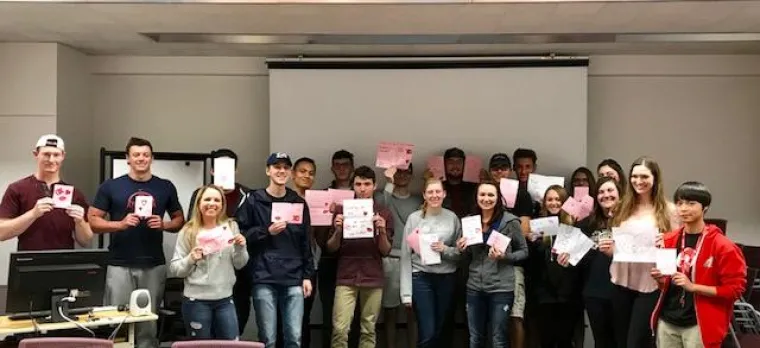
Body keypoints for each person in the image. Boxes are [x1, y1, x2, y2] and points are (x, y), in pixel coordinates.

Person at [89, 137, 185, 348]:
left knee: (148, 323)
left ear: (152, 158)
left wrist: (164, 225)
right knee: (117, 320)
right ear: (127, 159)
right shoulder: (111, 186)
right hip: (119, 263)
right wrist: (120, 225)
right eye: (136, 155)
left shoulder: (165, 186)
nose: (141, 158)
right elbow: (93, 221)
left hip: (154, 264)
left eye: (146, 155)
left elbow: (180, 220)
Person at [650, 182, 746, 348]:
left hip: (699, 325)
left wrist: (693, 287)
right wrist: (659, 279)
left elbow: (735, 290)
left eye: (691, 203)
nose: (684, 208)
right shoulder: (668, 240)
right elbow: (666, 285)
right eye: (680, 203)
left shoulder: (724, 246)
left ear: (705, 208)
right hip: (668, 321)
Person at [236, 152, 314, 348]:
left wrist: (307, 276)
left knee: (294, 338)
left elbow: (306, 242)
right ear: (268, 171)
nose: (281, 171)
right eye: (277, 167)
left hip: (294, 277)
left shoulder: (298, 202)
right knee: (268, 339)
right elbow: (240, 234)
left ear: (290, 172)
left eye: (285, 167)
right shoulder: (253, 199)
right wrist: (266, 231)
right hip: (264, 277)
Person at [599, 156, 678, 348]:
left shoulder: (669, 210)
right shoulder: (622, 207)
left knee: (637, 342)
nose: (638, 181)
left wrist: (665, 274)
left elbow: (674, 248)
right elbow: (619, 245)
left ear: (655, 178)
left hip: (650, 284)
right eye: (634, 176)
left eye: (644, 176)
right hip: (620, 282)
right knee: (621, 340)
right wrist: (610, 251)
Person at [170, 184, 249, 340]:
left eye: (216, 200)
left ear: (222, 205)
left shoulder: (231, 227)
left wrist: (241, 248)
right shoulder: (188, 231)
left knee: (231, 343)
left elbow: (240, 264)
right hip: (196, 301)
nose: (212, 203)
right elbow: (175, 269)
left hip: (225, 299)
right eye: (207, 199)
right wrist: (191, 258)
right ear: (199, 204)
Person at [187, 148, 253, 335]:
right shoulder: (201, 195)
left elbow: (255, 229)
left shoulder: (248, 196)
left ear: (236, 170)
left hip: (238, 273)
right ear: (212, 171)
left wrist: (239, 236)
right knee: (206, 335)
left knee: (234, 327)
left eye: (229, 167)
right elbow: (191, 227)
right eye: (220, 168)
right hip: (206, 273)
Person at [327, 166, 393, 348]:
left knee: (368, 329)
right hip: (346, 275)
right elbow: (331, 248)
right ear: (352, 186)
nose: (362, 188)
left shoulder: (384, 212)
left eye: (367, 184)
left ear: (374, 185)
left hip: (372, 276)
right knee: (340, 329)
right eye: (358, 184)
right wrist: (338, 230)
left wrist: (381, 230)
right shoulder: (341, 209)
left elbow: (386, 250)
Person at [456, 181, 528, 348]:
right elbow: (467, 254)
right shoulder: (469, 221)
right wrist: (461, 248)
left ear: (498, 198)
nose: (486, 199)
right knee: (475, 338)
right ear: (476, 197)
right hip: (474, 286)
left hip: (501, 287)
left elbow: (524, 251)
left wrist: (505, 256)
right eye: (482, 195)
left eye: (491, 195)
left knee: (499, 339)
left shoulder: (510, 222)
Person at [0, 134, 93, 249]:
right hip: (29, 262)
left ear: (63, 156)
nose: (51, 160)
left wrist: (80, 222)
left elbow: (86, 241)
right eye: (46, 154)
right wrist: (33, 214)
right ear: (36, 154)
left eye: (56, 155)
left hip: (64, 262)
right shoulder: (17, 189)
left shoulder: (75, 194)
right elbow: (1, 233)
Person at [400, 177, 461, 348]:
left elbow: (460, 254)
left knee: (442, 330)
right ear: (424, 195)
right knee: (428, 331)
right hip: (421, 277)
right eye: (430, 192)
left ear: (444, 194)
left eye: (438, 192)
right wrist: (406, 292)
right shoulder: (414, 219)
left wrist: (445, 249)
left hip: (447, 278)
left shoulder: (452, 218)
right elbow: (405, 255)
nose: (434, 195)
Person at [316, 150, 361, 348]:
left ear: (352, 167)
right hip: (329, 260)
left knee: (356, 315)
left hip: (356, 260)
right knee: (330, 314)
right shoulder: (323, 195)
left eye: (346, 164)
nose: (342, 168)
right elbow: (318, 234)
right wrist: (329, 218)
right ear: (332, 168)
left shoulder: (362, 194)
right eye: (338, 165)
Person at [528, 185, 582, 348]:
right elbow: (534, 264)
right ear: (544, 203)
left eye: (558, 199)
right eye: (550, 199)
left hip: (568, 294)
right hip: (544, 294)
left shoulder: (575, 227)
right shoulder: (538, 226)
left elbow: (579, 262)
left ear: (565, 202)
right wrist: (532, 242)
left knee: (565, 339)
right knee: (546, 340)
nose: (554, 203)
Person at [376, 165, 422, 348]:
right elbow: (381, 208)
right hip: (391, 259)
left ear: (412, 174)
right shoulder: (382, 195)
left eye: (406, 171)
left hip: (414, 260)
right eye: (398, 171)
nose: (401, 175)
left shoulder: (419, 199)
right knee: (390, 310)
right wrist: (389, 182)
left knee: (413, 312)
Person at [485, 153, 527, 348]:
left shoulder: (521, 193)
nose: (499, 172)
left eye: (503, 168)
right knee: (490, 318)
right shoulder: (484, 194)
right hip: (487, 265)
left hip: (512, 263)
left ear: (510, 170)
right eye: (495, 168)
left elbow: (524, 231)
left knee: (515, 316)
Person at [578, 177, 621, 348]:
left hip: (622, 290)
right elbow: (577, 258)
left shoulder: (628, 222)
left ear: (620, 194)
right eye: (601, 192)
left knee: (622, 340)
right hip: (594, 291)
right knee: (601, 342)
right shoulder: (586, 224)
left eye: (610, 190)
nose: (606, 195)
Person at [291, 157, 319, 348]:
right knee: (285, 317)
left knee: (304, 318)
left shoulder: (319, 201)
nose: (306, 176)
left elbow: (319, 237)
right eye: (302, 171)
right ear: (293, 174)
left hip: (311, 265)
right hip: (288, 266)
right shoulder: (285, 199)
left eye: (311, 173)